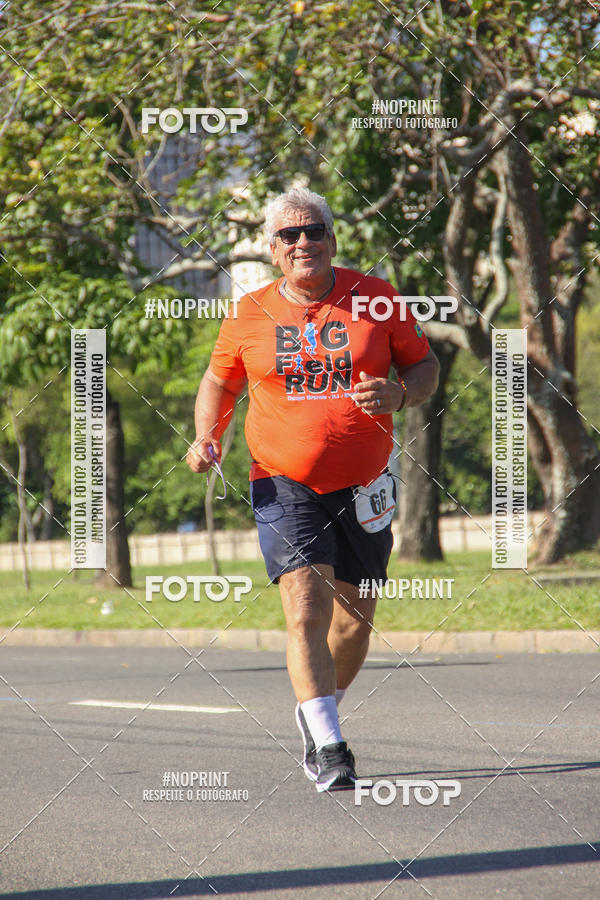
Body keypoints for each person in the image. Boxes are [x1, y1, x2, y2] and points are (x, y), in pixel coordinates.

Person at [186, 186, 440, 791]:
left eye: (314, 231)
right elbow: (219, 384)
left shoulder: (377, 300)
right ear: (272, 250)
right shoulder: (248, 312)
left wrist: (402, 395)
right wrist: (206, 436)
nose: (304, 243)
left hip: (368, 482)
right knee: (306, 604)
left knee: (354, 622)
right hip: (283, 480)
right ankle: (329, 744)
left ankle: (317, 707)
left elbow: (424, 367)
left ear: (331, 239)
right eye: (289, 235)